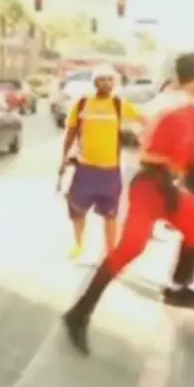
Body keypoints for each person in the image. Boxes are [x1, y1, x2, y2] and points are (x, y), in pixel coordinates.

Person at [62, 53, 194, 354]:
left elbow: (163, 144)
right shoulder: (188, 107)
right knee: (129, 248)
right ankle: (78, 313)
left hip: (161, 183)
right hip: (151, 187)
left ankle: (178, 288)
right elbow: (170, 153)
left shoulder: (169, 101)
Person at [59, 64, 143, 261]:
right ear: (95, 82)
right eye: (102, 79)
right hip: (85, 169)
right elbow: (71, 132)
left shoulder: (118, 104)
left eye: (110, 79)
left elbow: (144, 120)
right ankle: (79, 245)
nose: (106, 83)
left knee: (110, 214)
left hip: (110, 171)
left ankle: (110, 252)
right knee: (77, 211)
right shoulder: (82, 104)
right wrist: (63, 159)